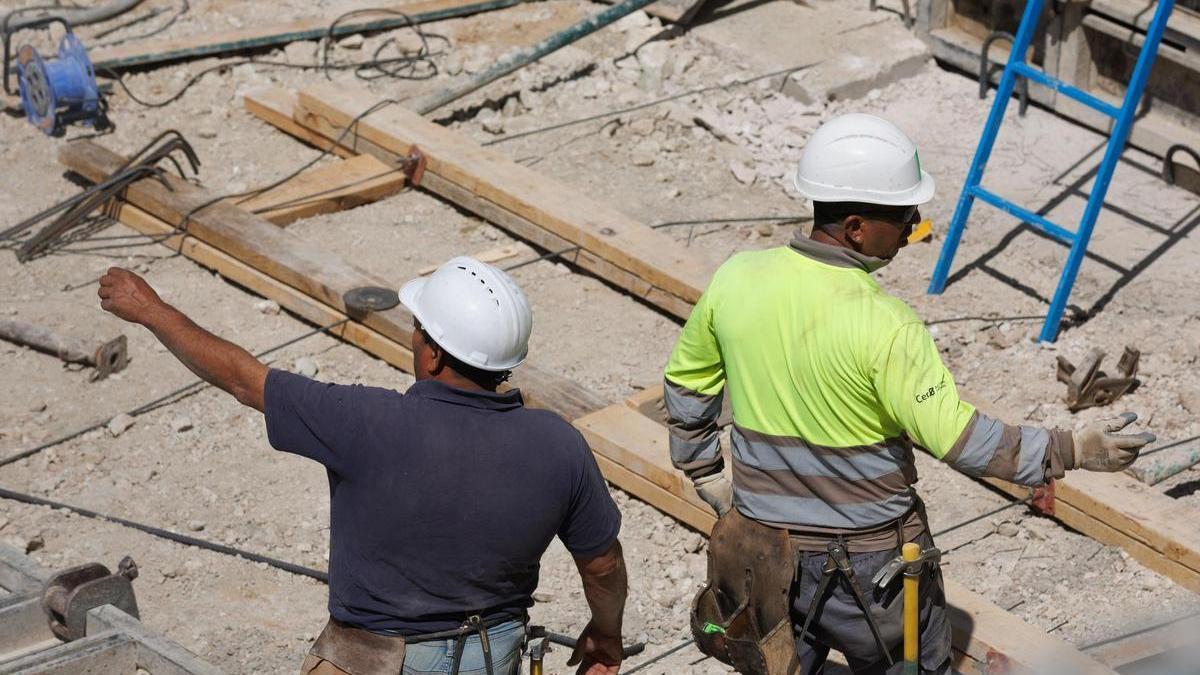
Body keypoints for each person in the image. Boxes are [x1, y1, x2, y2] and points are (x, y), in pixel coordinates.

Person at [663, 113, 1156, 674]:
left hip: (764, 553)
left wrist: (705, 473)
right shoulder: (886, 324)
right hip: (870, 572)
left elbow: (686, 380)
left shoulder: (736, 278)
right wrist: (1072, 449)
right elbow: (963, 440)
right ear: (854, 226)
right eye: (902, 215)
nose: (913, 224)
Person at [98, 256, 628, 675]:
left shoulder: (364, 421)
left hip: (376, 659)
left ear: (434, 355)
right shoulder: (560, 445)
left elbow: (242, 379)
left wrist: (151, 310)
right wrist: (606, 636)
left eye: (418, 328)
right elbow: (602, 567)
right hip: (493, 656)